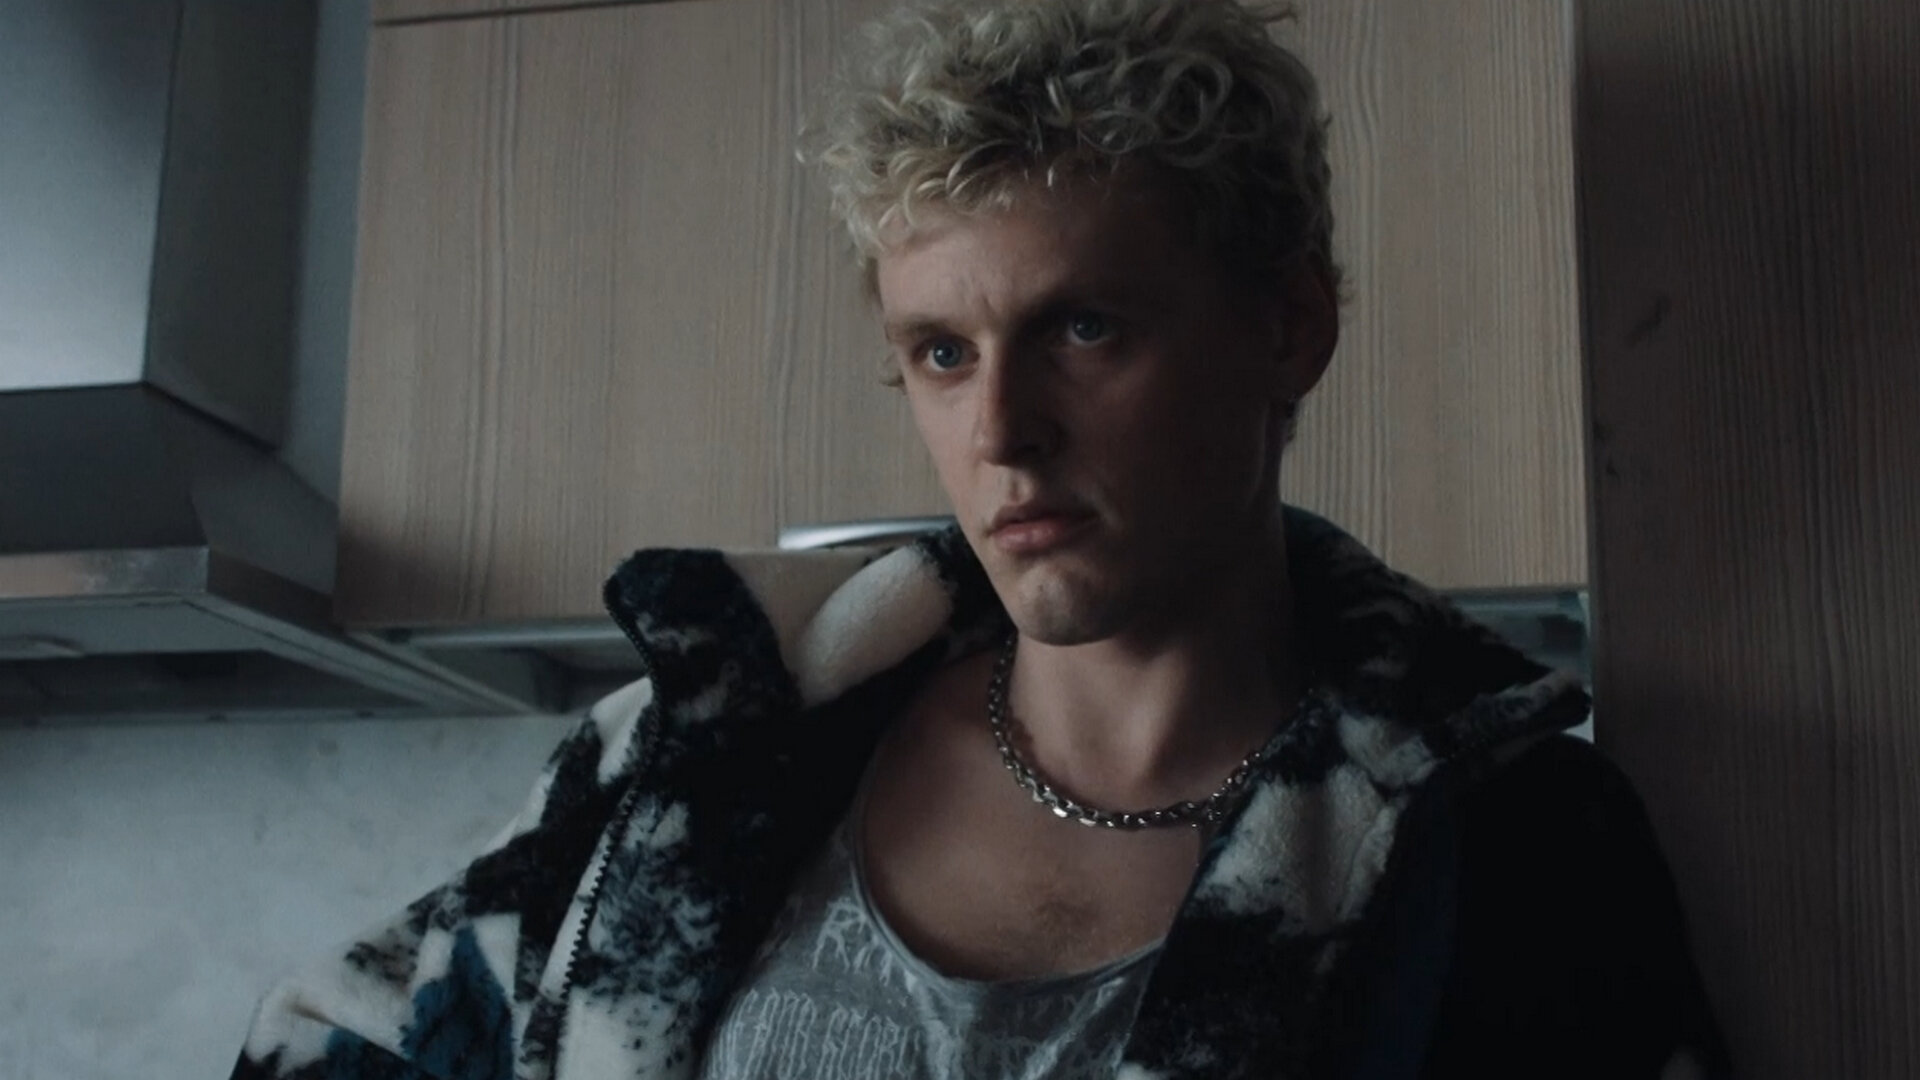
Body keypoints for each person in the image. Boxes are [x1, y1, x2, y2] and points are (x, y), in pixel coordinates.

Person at [232, 1, 1730, 1077]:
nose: (1002, 430)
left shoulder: (1515, 849)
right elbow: (326, 1037)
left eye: (1083, 328)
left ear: (1286, 329)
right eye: (942, 353)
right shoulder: (693, 757)